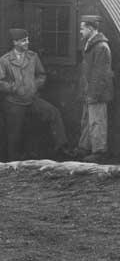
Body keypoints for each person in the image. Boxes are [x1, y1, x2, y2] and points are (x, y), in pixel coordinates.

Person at [0, 28, 69, 161]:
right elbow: (0, 81)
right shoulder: (5, 60)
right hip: (14, 103)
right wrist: (14, 88)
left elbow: (41, 75)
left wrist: (33, 86)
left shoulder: (33, 56)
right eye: (23, 41)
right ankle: (12, 165)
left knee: (53, 113)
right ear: (15, 42)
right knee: (14, 135)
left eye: (27, 39)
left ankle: (62, 149)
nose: (27, 42)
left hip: (31, 99)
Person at [77, 15, 114, 163]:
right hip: (90, 91)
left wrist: (94, 94)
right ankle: (84, 148)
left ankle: (99, 151)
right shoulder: (91, 44)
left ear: (90, 28)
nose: (80, 31)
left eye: (82, 28)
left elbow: (101, 75)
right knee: (87, 120)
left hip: (97, 92)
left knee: (97, 121)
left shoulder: (101, 47)